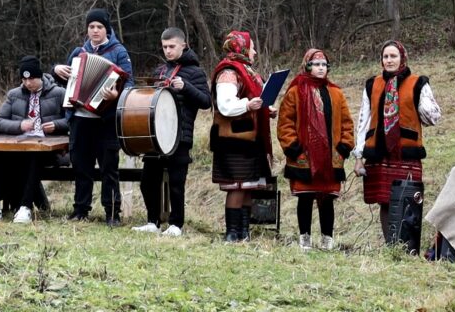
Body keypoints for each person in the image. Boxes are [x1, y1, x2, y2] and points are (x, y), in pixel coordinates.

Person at [352, 40, 441, 241]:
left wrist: (422, 105)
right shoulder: (372, 84)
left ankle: (406, 245)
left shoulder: (418, 83)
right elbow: (363, 122)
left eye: (393, 56)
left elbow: (433, 117)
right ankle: (391, 245)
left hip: (406, 152)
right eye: (386, 56)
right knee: (385, 201)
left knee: (408, 199)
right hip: (379, 153)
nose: (389, 60)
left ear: (402, 58)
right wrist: (358, 156)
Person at [52, 8, 134, 226]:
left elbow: (130, 85)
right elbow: (66, 82)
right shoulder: (78, 52)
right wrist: (56, 70)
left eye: (99, 27)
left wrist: (116, 94)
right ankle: (81, 210)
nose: (95, 31)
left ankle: (112, 212)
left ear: (106, 28)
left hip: (105, 121)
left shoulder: (119, 52)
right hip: (79, 119)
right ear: (87, 29)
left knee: (109, 168)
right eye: (91, 27)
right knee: (81, 166)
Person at [131, 28, 211, 237]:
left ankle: (176, 225)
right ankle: (153, 221)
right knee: (148, 181)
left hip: (180, 135)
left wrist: (185, 87)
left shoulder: (196, 72)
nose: (168, 51)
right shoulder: (160, 70)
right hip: (156, 134)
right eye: (165, 47)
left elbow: (205, 101)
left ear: (183, 45)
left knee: (177, 183)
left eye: (172, 47)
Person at [0, 56, 69, 224]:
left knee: (33, 157)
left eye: (31, 78)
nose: (28, 83)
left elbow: (72, 120)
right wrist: (20, 125)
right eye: (24, 79)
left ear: (40, 77)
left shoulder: (59, 93)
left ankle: (25, 208)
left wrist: (56, 125)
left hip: (49, 149)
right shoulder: (14, 95)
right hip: (18, 145)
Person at [278, 49, 354, 250]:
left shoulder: (336, 93)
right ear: (307, 66)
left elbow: (347, 123)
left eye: (323, 65)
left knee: (327, 199)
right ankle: (305, 239)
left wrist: (344, 147)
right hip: (304, 156)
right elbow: (285, 122)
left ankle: (327, 240)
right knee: (305, 198)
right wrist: (294, 148)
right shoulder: (295, 91)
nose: (320, 68)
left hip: (330, 156)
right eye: (316, 64)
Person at [210, 31, 274, 242]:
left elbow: (257, 98)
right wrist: (248, 105)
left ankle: (244, 233)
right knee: (237, 186)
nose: (254, 51)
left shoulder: (248, 71)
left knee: (248, 186)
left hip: (251, 138)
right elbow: (225, 105)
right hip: (234, 139)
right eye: (252, 47)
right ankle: (232, 233)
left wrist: (266, 108)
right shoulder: (228, 71)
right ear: (241, 47)